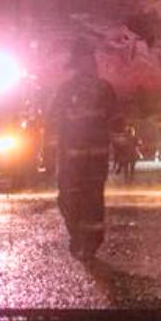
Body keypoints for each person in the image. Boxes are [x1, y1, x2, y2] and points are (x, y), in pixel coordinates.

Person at [48, 40, 118, 258]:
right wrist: (49, 153)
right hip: (74, 159)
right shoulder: (67, 91)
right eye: (83, 62)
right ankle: (80, 238)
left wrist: (123, 147)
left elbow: (116, 121)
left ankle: (89, 242)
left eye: (89, 62)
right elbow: (53, 123)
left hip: (89, 159)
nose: (87, 66)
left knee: (90, 200)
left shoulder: (103, 90)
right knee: (71, 199)